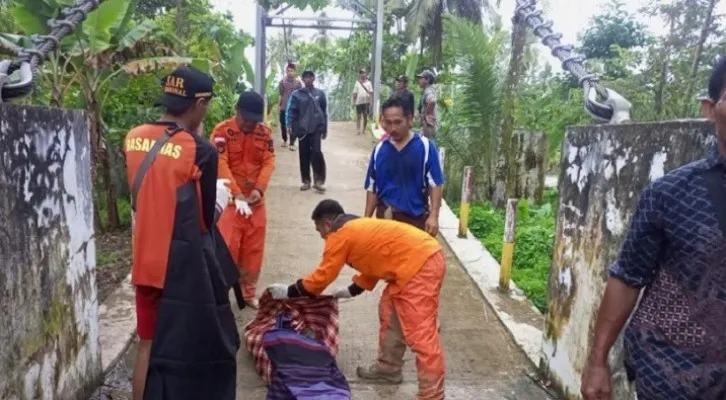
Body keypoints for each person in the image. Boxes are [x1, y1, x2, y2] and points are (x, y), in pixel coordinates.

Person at [580, 57, 726, 400]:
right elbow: (628, 276)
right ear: (710, 108)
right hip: (673, 376)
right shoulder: (672, 193)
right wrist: (598, 361)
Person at [124, 65, 238, 400]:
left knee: (148, 343)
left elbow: (143, 193)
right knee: (187, 346)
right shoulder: (200, 150)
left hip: (144, 261)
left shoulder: (132, 138)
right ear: (199, 104)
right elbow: (203, 223)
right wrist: (220, 200)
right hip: (180, 269)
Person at [266, 199, 447, 400]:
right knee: (389, 312)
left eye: (320, 232)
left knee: (420, 333)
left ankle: (432, 395)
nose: (323, 238)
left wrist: (290, 291)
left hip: (421, 265)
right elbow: (376, 261)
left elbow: (322, 277)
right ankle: (388, 368)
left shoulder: (339, 235)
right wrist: (351, 290)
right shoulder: (357, 229)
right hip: (416, 260)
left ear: (327, 224)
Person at [211, 91, 276, 310]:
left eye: (254, 121)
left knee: (253, 251)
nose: (250, 125)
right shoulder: (222, 132)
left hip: (256, 203)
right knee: (227, 249)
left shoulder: (264, 133)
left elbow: (268, 161)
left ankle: (248, 293)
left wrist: (259, 189)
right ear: (237, 111)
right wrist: (236, 193)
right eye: (247, 120)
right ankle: (221, 294)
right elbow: (220, 162)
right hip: (231, 203)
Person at [365, 96, 444, 235]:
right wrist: (365, 222)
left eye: (398, 122)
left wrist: (433, 216)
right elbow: (372, 187)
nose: (393, 128)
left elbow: (435, 183)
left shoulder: (425, 147)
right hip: (384, 220)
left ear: (410, 119)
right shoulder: (379, 150)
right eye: (388, 123)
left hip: (415, 222)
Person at [286, 70, 328, 193]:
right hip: (302, 130)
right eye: (306, 77)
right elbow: (292, 111)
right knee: (303, 155)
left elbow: (324, 112)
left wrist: (324, 128)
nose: (308, 79)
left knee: (317, 153)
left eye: (310, 77)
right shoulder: (297, 95)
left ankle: (318, 181)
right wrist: (289, 125)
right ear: (303, 80)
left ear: (314, 79)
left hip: (316, 130)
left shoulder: (320, 94)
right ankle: (306, 181)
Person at [278, 62, 302, 151]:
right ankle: (285, 140)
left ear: (295, 72)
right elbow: (280, 94)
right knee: (283, 124)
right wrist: (278, 106)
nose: (289, 72)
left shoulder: (298, 83)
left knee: (294, 125)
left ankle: (292, 143)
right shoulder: (282, 82)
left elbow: (301, 96)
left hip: (294, 108)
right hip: (284, 106)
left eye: (291, 71)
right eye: (288, 70)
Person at [416, 70, 438, 139]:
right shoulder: (430, 90)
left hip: (428, 126)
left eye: (421, 78)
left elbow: (432, 101)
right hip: (429, 126)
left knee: (426, 146)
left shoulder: (428, 90)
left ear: (427, 80)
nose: (419, 80)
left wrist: (426, 114)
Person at [352, 68, 373, 135]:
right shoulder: (357, 82)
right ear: (360, 74)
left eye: (364, 73)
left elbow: (370, 92)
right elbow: (355, 92)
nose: (362, 74)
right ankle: (358, 130)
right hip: (358, 102)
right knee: (358, 116)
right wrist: (354, 101)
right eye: (361, 73)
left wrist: (371, 101)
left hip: (366, 102)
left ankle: (364, 129)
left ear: (366, 74)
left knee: (365, 116)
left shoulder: (369, 83)